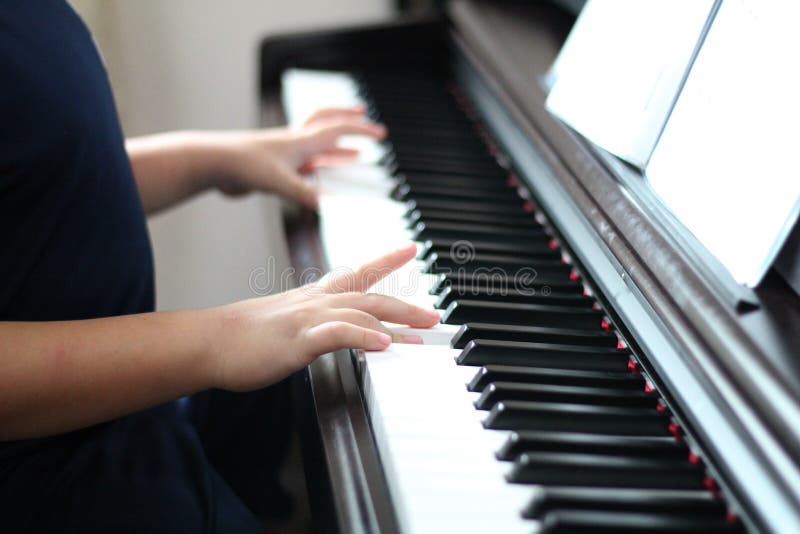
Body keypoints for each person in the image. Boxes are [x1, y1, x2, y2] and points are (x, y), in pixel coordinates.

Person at [0, 1, 435, 532]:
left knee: (295, 394)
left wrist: (208, 158)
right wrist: (217, 339)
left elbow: (38, 181)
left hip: (125, 417)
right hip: (55, 480)